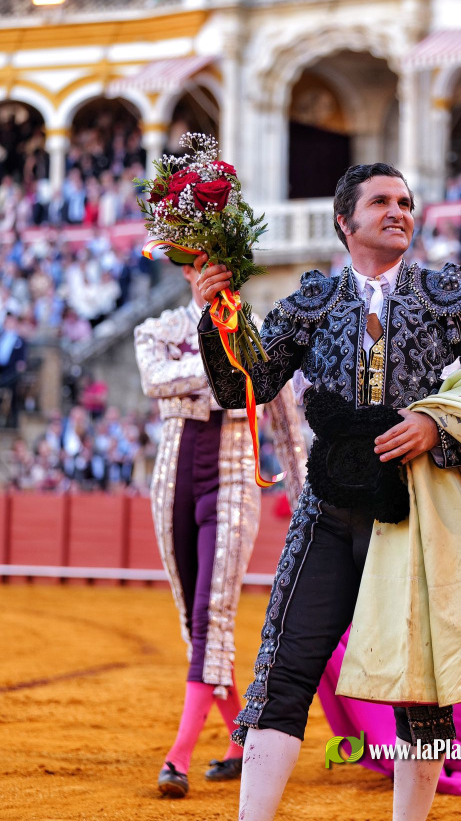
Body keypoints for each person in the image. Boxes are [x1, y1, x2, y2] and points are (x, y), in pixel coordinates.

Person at [195, 163, 461, 821]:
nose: (397, 211)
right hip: (328, 516)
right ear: (346, 221)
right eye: (380, 202)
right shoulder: (310, 303)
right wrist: (215, 312)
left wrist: (435, 424)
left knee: (420, 686)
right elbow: (240, 387)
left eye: (405, 201)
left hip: (417, 517)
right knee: (281, 673)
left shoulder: (451, 299)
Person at [134, 263, 307, 798]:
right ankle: (240, 739)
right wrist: (232, 375)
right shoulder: (157, 329)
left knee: (212, 616)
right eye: (198, 261)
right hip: (173, 478)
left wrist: (305, 502)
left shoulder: (261, 336)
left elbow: (287, 429)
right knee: (195, 618)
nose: (208, 271)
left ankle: (178, 757)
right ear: (187, 270)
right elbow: (151, 380)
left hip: (233, 478)